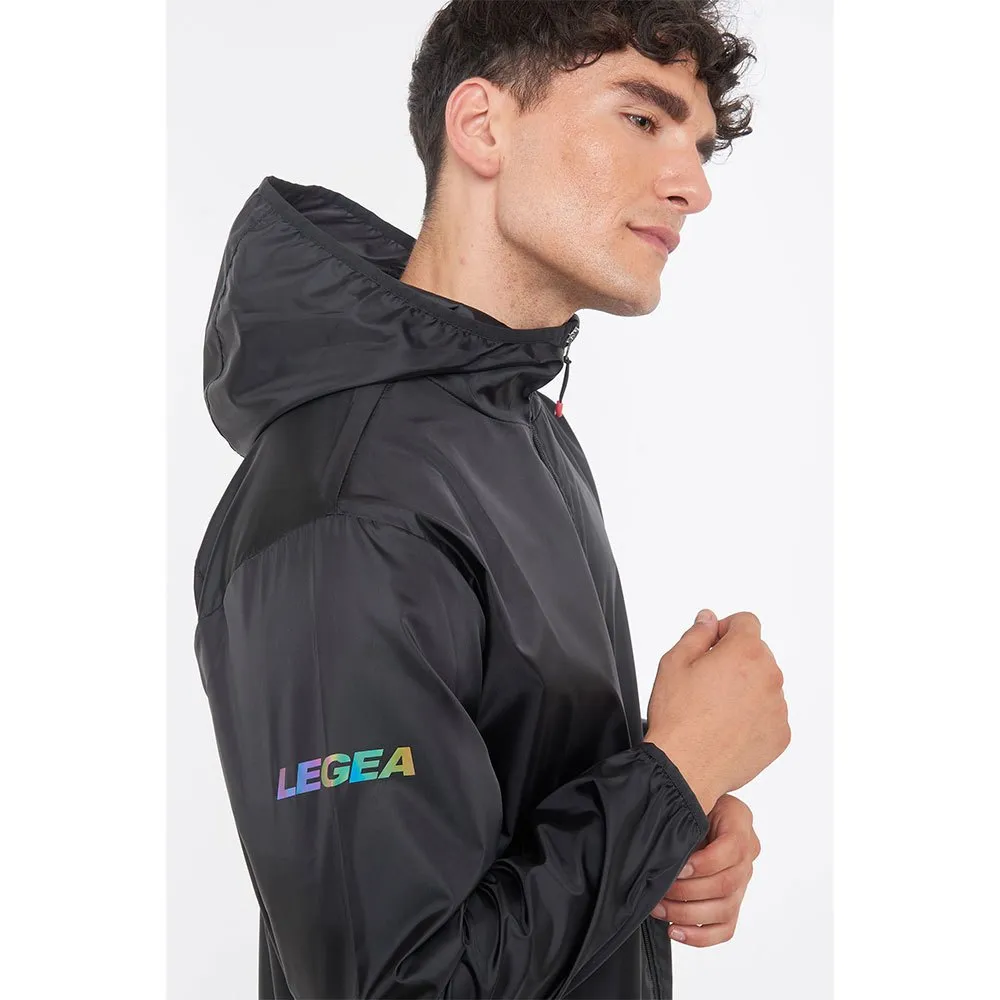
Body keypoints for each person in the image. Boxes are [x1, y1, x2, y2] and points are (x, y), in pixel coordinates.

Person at [192, 2, 790, 997]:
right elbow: (401, 985)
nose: (691, 185)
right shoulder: (346, 507)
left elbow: (517, 817)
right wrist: (676, 772)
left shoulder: (523, 429)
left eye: (697, 147)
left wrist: (668, 831)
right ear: (481, 127)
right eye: (641, 119)